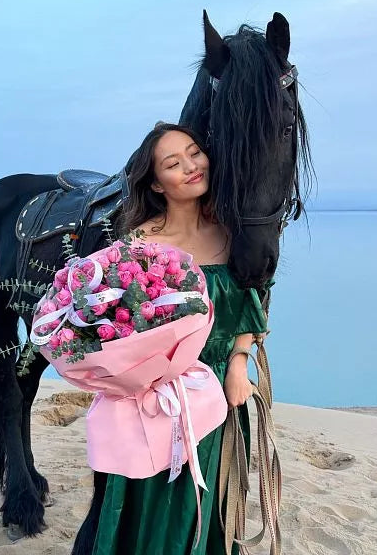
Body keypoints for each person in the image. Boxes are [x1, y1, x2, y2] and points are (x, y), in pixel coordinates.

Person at [91, 122, 268, 554]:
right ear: (156, 182)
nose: (191, 167)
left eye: (194, 153)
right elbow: (121, 329)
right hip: (157, 399)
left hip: (222, 389)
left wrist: (241, 361)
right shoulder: (139, 243)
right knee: (150, 501)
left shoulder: (232, 231)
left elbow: (251, 302)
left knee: (210, 501)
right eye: (174, 163)